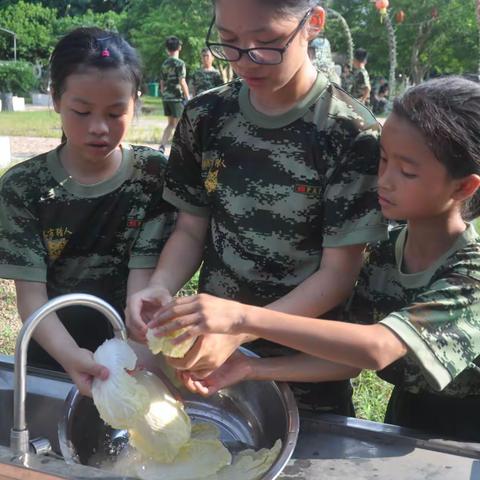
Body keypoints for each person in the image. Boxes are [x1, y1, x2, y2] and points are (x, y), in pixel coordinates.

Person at [152, 76, 480, 442]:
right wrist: (250, 368)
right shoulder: (388, 250)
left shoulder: (471, 270)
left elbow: (377, 348)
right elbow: (347, 359)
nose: (384, 181)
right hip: (411, 417)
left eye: (407, 171)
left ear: (463, 187)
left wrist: (241, 318)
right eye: (383, 160)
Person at [127, 0, 387, 415]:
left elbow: (338, 275)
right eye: (228, 42)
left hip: (306, 367)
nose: (245, 61)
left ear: (313, 24)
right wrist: (160, 285)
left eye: (266, 43)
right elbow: (191, 228)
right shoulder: (205, 115)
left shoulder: (350, 132)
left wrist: (240, 327)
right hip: (211, 361)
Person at [0, 27, 175, 396]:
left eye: (116, 113)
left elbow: (141, 277)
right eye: (81, 111)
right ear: (56, 99)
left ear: (136, 101)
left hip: (131, 346)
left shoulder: (151, 174)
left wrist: (138, 354)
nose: (99, 128)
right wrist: (70, 356)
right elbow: (31, 296)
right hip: (52, 350)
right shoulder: (24, 187)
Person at [158, 36, 190, 153]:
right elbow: (182, 81)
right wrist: (188, 97)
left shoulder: (164, 64)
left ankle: (162, 146)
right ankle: (181, 150)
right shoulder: (180, 63)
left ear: (167, 49)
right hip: (177, 98)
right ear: (179, 48)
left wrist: (164, 94)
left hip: (166, 98)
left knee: (170, 124)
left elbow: (161, 82)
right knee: (179, 125)